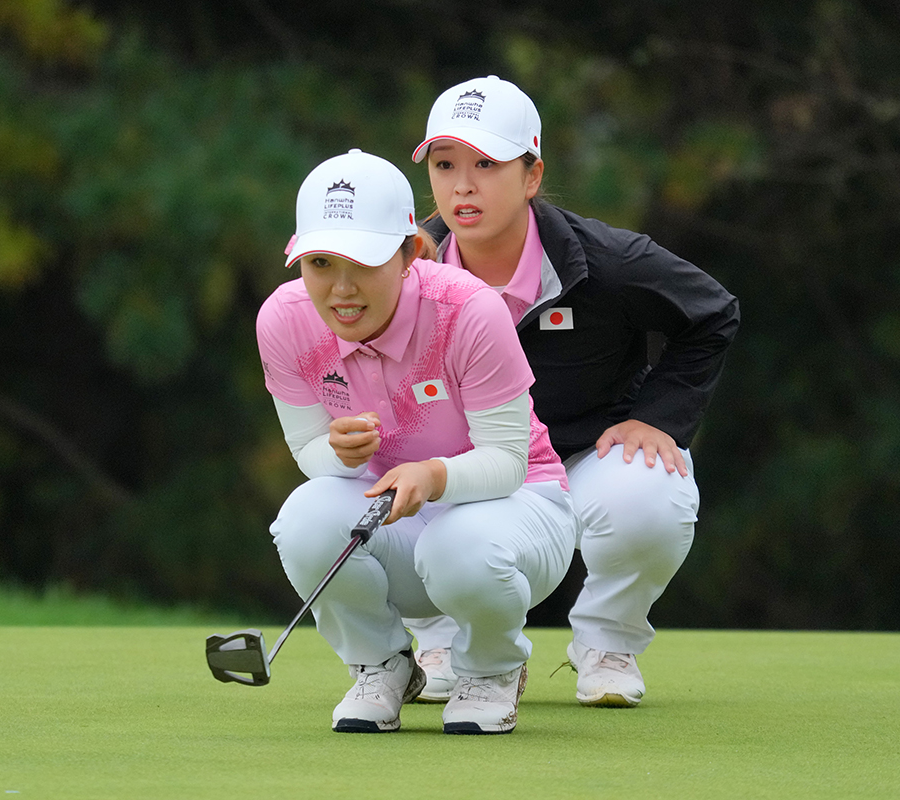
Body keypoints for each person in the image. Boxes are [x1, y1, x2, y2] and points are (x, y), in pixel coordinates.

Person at [403, 76, 740, 708]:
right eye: (445, 165)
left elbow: (711, 314)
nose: (462, 185)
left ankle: (607, 644)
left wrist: (659, 417)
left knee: (651, 493)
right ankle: (442, 642)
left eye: (486, 164)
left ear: (531, 177)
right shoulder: (404, 268)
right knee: (380, 482)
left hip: (581, 455)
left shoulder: (608, 261)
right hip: (465, 463)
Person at [257, 148, 579, 734]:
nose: (342, 288)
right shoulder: (285, 320)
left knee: (458, 545)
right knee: (303, 518)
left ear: (409, 253)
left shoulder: (467, 310)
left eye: (365, 261)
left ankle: (491, 669)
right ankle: (381, 665)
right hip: (400, 523)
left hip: (521, 511)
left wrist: (432, 476)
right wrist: (338, 451)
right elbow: (310, 455)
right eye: (321, 262)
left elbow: (509, 462)